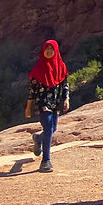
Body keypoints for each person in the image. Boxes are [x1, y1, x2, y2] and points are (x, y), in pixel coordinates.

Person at [25, 40, 70, 172]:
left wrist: (66, 99)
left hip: (55, 103)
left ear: (56, 50)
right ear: (43, 50)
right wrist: (28, 107)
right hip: (42, 103)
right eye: (47, 48)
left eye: (52, 48)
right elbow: (32, 90)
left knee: (53, 128)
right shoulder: (38, 68)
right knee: (49, 127)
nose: (49, 51)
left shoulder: (61, 66)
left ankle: (38, 138)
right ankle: (46, 161)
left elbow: (65, 85)